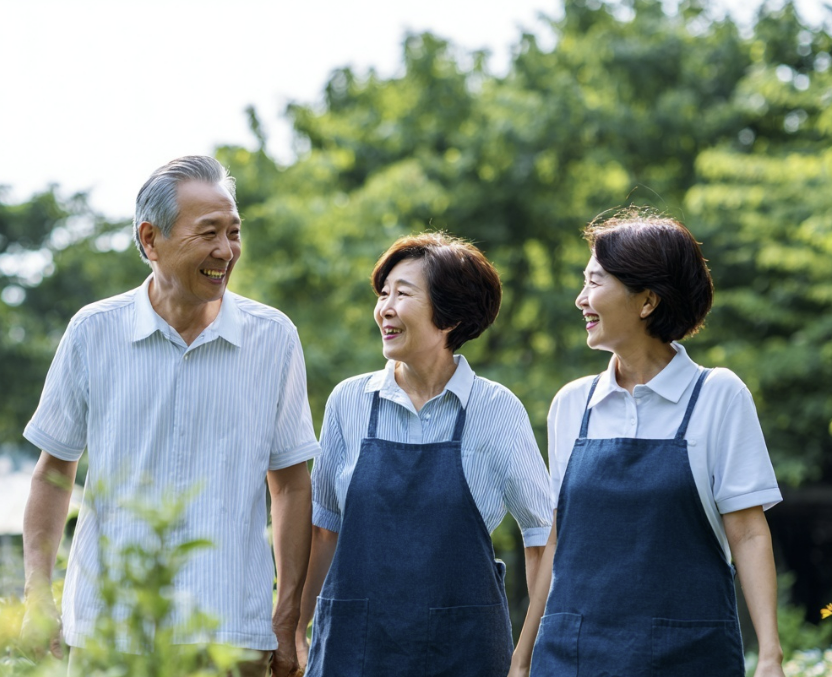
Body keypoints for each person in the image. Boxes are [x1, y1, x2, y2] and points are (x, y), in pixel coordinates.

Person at [21, 155, 319, 677]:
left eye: (233, 232)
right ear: (150, 239)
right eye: (208, 233)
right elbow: (53, 474)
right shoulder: (93, 331)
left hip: (231, 630)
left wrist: (288, 616)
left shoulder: (274, 338)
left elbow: (292, 485)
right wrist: (37, 595)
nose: (225, 250)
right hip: (111, 629)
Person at [520, 212, 785, 676]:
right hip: (574, 657)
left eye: (595, 282)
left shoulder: (717, 395)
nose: (581, 298)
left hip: (687, 656)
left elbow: (747, 532)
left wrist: (770, 656)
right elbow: (557, 539)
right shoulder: (572, 405)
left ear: (646, 301)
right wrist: (521, 659)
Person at [297, 233, 553, 677]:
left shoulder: (496, 410)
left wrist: (526, 659)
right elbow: (323, 532)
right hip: (352, 651)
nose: (385, 308)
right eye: (383, 294)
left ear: (450, 316)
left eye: (403, 293)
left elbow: (543, 540)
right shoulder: (349, 401)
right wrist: (295, 632)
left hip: (464, 654)